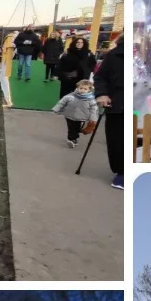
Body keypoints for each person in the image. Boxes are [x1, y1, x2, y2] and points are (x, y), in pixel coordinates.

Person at [95, 37, 125, 190]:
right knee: (117, 138)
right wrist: (101, 94)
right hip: (117, 102)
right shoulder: (114, 55)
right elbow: (100, 77)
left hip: (141, 103)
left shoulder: (150, 51)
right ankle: (122, 171)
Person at [52, 79, 100, 148]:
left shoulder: (91, 100)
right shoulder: (70, 96)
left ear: (89, 90)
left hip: (81, 117)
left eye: (85, 89)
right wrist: (57, 109)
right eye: (81, 88)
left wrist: (93, 119)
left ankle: (75, 137)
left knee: (77, 128)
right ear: (77, 88)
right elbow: (62, 102)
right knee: (71, 127)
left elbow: (94, 110)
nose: (82, 90)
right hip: (69, 115)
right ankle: (71, 139)